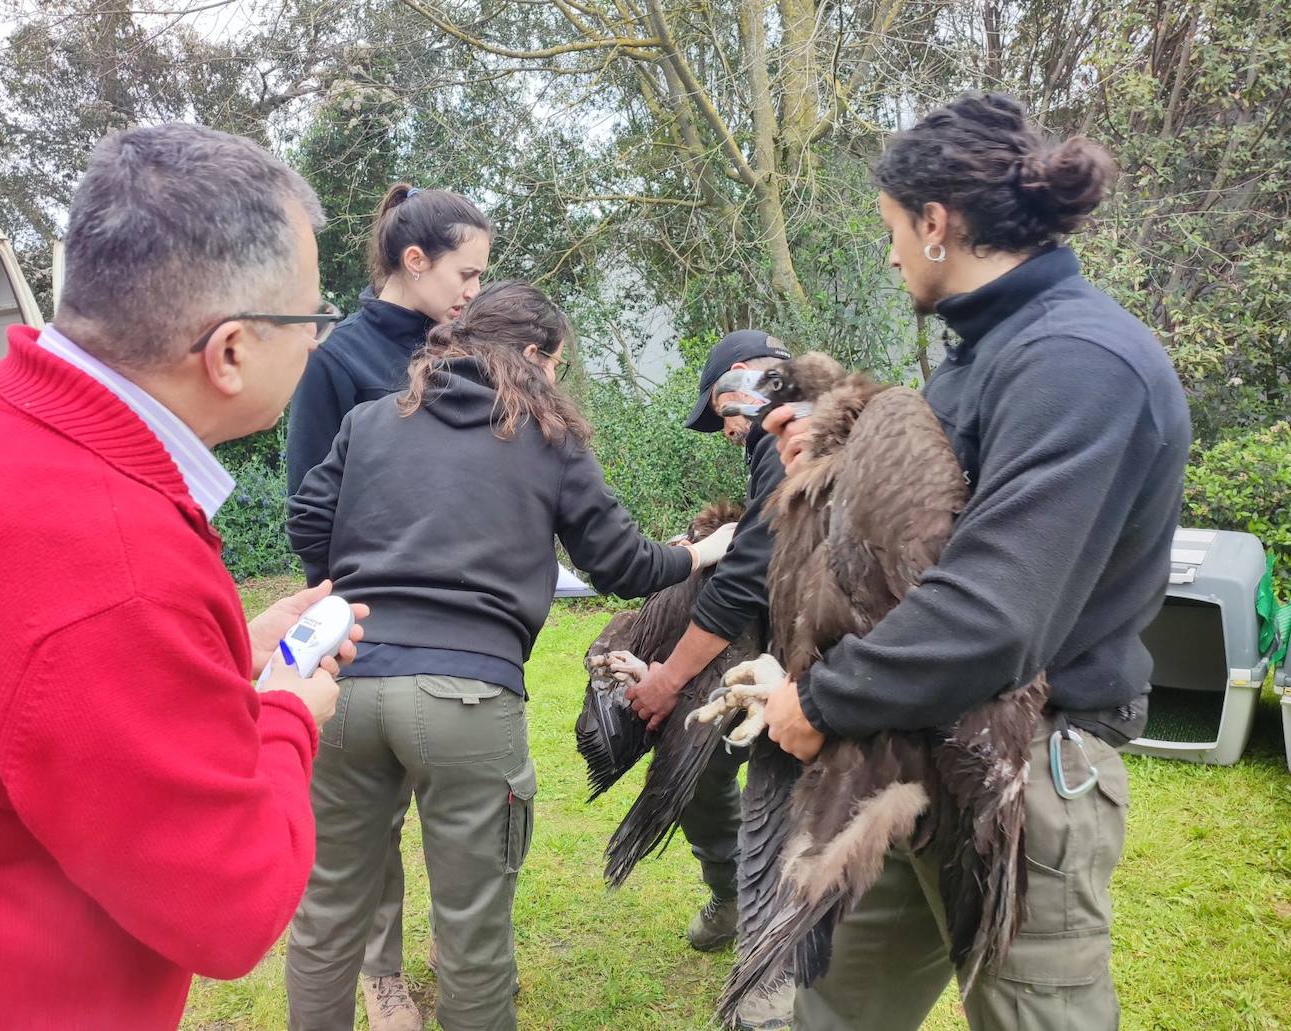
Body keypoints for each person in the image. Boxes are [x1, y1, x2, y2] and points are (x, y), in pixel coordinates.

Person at [0, 122, 368, 1029]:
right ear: (231, 350)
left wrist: (224, 655)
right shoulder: (119, 565)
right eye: (314, 320)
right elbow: (229, 908)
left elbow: (24, 691)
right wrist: (286, 711)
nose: (321, 344)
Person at [759, 92, 1191, 1030]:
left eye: (891, 231)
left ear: (936, 222)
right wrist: (833, 456)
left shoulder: (1079, 363)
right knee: (832, 1012)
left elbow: (995, 609)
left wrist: (824, 698)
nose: (890, 254)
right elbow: (931, 540)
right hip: (911, 753)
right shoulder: (985, 356)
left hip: (1024, 773)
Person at [285, 281, 735, 1031]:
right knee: (471, 928)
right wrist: (697, 553)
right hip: (468, 697)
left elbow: (306, 518)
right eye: (555, 363)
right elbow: (621, 564)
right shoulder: (548, 437)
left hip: (349, 686)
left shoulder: (370, 420)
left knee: (328, 911)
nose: (555, 380)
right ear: (532, 355)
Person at [285, 182, 492, 1029]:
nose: (476, 291)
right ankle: (381, 973)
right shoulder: (339, 360)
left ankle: (462, 946)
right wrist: (350, 603)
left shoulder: (470, 346)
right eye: (468, 274)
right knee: (364, 823)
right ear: (416, 260)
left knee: (458, 804)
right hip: (366, 622)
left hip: (462, 623)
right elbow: (309, 500)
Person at [623, 330, 795, 1030]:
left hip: (823, 654)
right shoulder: (775, 438)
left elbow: (750, 576)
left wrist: (667, 679)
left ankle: (773, 975)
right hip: (769, 647)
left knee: (782, 797)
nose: (727, 432)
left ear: (748, 379)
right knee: (698, 767)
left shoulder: (791, 428)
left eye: (723, 414)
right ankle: (729, 894)